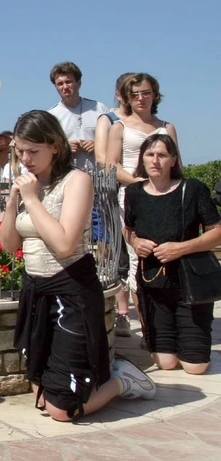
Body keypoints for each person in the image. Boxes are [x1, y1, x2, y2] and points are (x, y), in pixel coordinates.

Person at [0, 110, 155, 422]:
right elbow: (8, 245)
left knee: (62, 410)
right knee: (41, 398)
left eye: (33, 151)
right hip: (36, 290)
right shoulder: (27, 186)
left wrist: (31, 200)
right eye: (20, 150)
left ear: (54, 146)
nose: (25, 158)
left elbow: (65, 244)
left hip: (71, 289)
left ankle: (123, 380)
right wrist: (13, 197)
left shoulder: (77, 180)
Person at [124, 134, 221, 374]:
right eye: (149, 154)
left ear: (173, 160)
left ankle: (191, 341)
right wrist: (136, 242)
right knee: (166, 364)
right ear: (142, 159)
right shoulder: (134, 193)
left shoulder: (193, 189)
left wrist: (182, 247)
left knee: (195, 367)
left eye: (162, 155)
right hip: (153, 284)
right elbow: (129, 230)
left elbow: (217, 233)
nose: (155, 160)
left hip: (190, 285)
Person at [107, 73, 181, 340]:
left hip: (169, 198)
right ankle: (151, 331)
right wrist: (140, 182)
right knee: (140, 260)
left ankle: (174, 322)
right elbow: (111, 166)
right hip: (134, 197)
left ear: (155, 95)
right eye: (135, 94)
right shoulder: (120, 127)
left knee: (170, 255)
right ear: (127, 97)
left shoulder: (167, 127)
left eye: (146, 92)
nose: (140, 98)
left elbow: (177, 164)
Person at [93, 72, 135, 331]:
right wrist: (136, 180)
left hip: (145, 191)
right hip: (114, 191)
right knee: (115, 253)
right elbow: (102, 159)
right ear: (119, 94)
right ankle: (121, 312)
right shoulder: (108, 120)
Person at [47, 62, 109, 171]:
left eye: (68, 82)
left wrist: (99, 145)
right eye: (60, 84)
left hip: (100, 178)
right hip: (67, 176)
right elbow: (46, 150)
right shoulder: (51, 116)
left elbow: (116, 142)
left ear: (79, 83)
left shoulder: (99, 108)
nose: (65, 87)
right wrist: (64, 148)